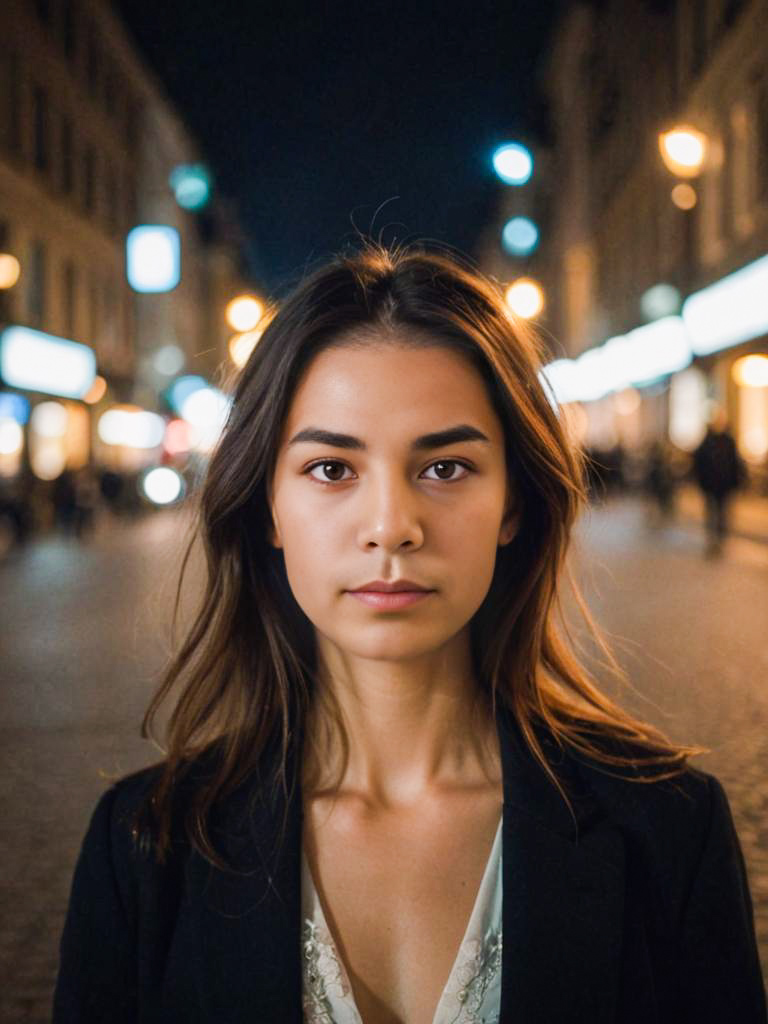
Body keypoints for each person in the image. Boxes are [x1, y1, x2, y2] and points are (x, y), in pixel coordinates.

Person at [52, 243, 767, 1024]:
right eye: (332, 469)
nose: (392, 527)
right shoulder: (147, 846)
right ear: (267, 508)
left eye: (446, 468)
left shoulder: (668, 829)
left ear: (514, 506)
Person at [692, 409, 746, 557]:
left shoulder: (729, 441)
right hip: (710, 485)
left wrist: (738, 482)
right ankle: (712, 539)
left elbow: (735, 463)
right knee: (711, 512)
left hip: (725, 485)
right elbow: (699, 463)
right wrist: (701, 481)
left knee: (722, 512)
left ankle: (720, 538)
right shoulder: (707, 441)